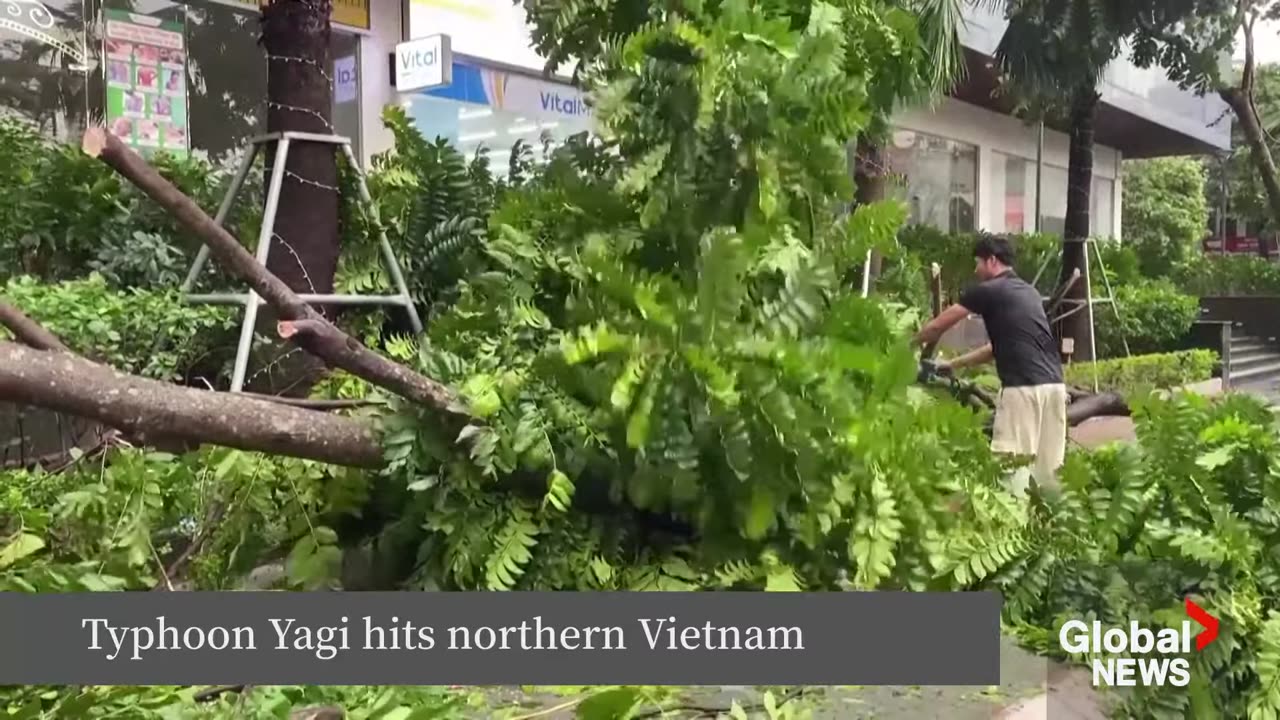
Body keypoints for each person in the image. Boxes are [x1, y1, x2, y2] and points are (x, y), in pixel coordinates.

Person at [912, 232, 1067, 497]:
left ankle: (1006, 534)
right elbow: (997, 349)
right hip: (1054, 388)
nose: (975, 269)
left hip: (1022, 390)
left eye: (978, 262)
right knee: (1047, 476)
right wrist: (954, 364)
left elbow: (939, 325)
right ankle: (1048, 532)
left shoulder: (987, 290)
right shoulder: (1029, 292)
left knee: (1009, 472)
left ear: (992, 261)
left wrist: (904, 346)